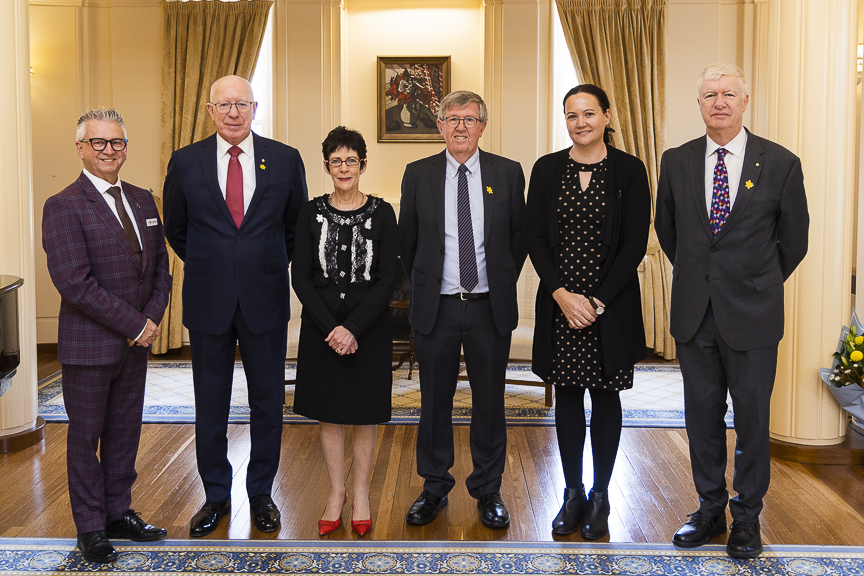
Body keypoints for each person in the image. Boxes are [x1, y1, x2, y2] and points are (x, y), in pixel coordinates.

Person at [655, 63, 809, 559]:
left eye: (728, 94)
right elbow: (668, 231)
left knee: (752, 420)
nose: (718, 102)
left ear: (745, 101)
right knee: (700, 418)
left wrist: (754, 282)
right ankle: (708, 508)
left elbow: (795, 241)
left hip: (754, 315)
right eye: (708, 95)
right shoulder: (675, 161)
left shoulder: (780, 163)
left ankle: (747, 518)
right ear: (698, 105)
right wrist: (705, 278)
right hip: (694, 313)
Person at [163, 75, 308, 537]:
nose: (232, 112)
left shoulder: (284, 159)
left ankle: (262, 494)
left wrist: (259, 263)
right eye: (224, 105)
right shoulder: (185, 161)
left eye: (240, 104)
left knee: (268, 401)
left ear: (254, 107)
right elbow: (177, 228)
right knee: (211, 403)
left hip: (265, 297)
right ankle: (215, 496)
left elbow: (295, 227)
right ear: (209, 110)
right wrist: (215, 264)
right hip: (208, 299)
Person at [42, 107, 172, 563]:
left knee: (124, 434)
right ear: (80, 148)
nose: (109, 151)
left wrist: (151, 319)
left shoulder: (142, 199)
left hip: (135, 345)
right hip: (89, 346)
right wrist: (136, 324)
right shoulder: (63, 205)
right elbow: (74, 283)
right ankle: (91, 528)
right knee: (85, 438)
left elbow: (161, 270)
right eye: (98, 142)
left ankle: (120, 512)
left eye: (116, 142)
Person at [527, 85, 650, 539]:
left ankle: (601, 495)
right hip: (560, 304)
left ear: (606, 116)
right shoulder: (547, 169)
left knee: (605, 396)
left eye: (588, 113)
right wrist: (561, 294)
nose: (580, 122)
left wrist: (596, 301)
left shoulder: (629, 170)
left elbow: (634, 244)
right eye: (571, 115)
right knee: (567, 397)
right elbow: (534, 237)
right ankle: (572, 493)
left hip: (608, 307)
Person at [399, 90, 526, 529]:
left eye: (469, 119)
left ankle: (488, 489)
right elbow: (408, 242)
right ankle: (434, 487)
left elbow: (518, 239)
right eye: (451, 118)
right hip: (438, 308)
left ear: (482, 126)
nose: (460, 127)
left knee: (489, 402)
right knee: (434, 401)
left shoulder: (507, 173)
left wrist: (500, 281)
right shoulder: (418, 174)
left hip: (490, 308)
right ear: (439, 126)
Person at [292, 127, 398, 537]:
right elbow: (300, 274)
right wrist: (332, 327)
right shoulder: (309, 211)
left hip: (368, 330)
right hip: (321, 328)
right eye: (336, 160)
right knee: (330, 412)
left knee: (364, 412)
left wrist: (352, 327)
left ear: (363, 165)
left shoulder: (383, 212)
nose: (344, 167)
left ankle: (362, 492)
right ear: (326, 166)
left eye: (351, 160)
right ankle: (336, 494)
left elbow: (388, 276)